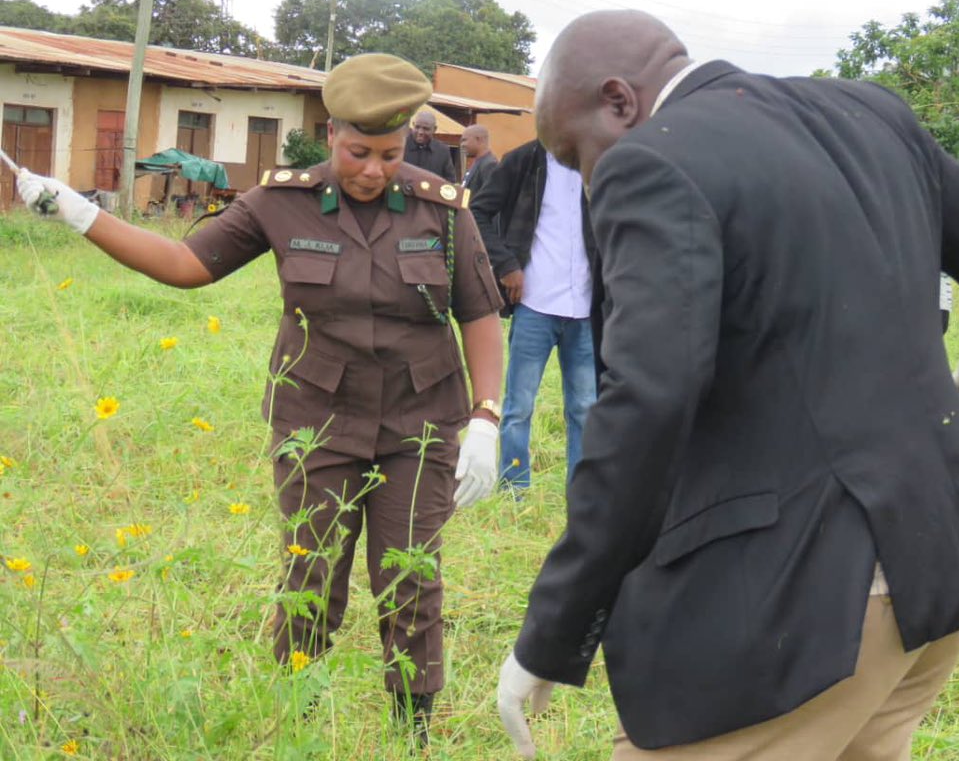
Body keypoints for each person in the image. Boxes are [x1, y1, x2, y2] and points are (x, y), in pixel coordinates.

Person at [495, 10, 959, 761]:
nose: (584, 179)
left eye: (573, 154)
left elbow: (650, 402)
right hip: (941, 563)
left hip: (808, 605)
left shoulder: (650, 162)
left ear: (619, 100)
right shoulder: (868, 112)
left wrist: (555, 628)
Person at [16, 53, 505, 743]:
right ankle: (295, 720)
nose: (374, 170)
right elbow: (186, 264)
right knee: (311, 573)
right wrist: (79, 211)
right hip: (317, 422)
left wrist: (486, 417)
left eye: (390, 155)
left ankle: (413, 733)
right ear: (331, 134)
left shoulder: (442, 207)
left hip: (420, 425)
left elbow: (479, 314)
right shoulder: (281, 201)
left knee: (410, 577)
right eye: (359, 152)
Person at [470, 139, 597, 493]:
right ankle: (514, 491)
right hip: (534, 304)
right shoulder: (523, 161)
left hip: (585, 307)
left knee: (586, 408)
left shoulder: (597, 162)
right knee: (519, 407)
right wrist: (506, 265)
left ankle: (582, 494)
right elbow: (477, 212)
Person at [405, 109, 457, 181]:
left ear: (434, 129)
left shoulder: (442, 151)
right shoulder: (401, 146)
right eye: (417, 127)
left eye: (426, 129)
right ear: (413, 125)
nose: (420, 132)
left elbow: (450, 181)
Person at [460, 124, 498, 192]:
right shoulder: (478, 162)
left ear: (478, 139)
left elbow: (490, 194)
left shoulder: (490, 165)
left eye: (464, 140)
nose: (462, 145)